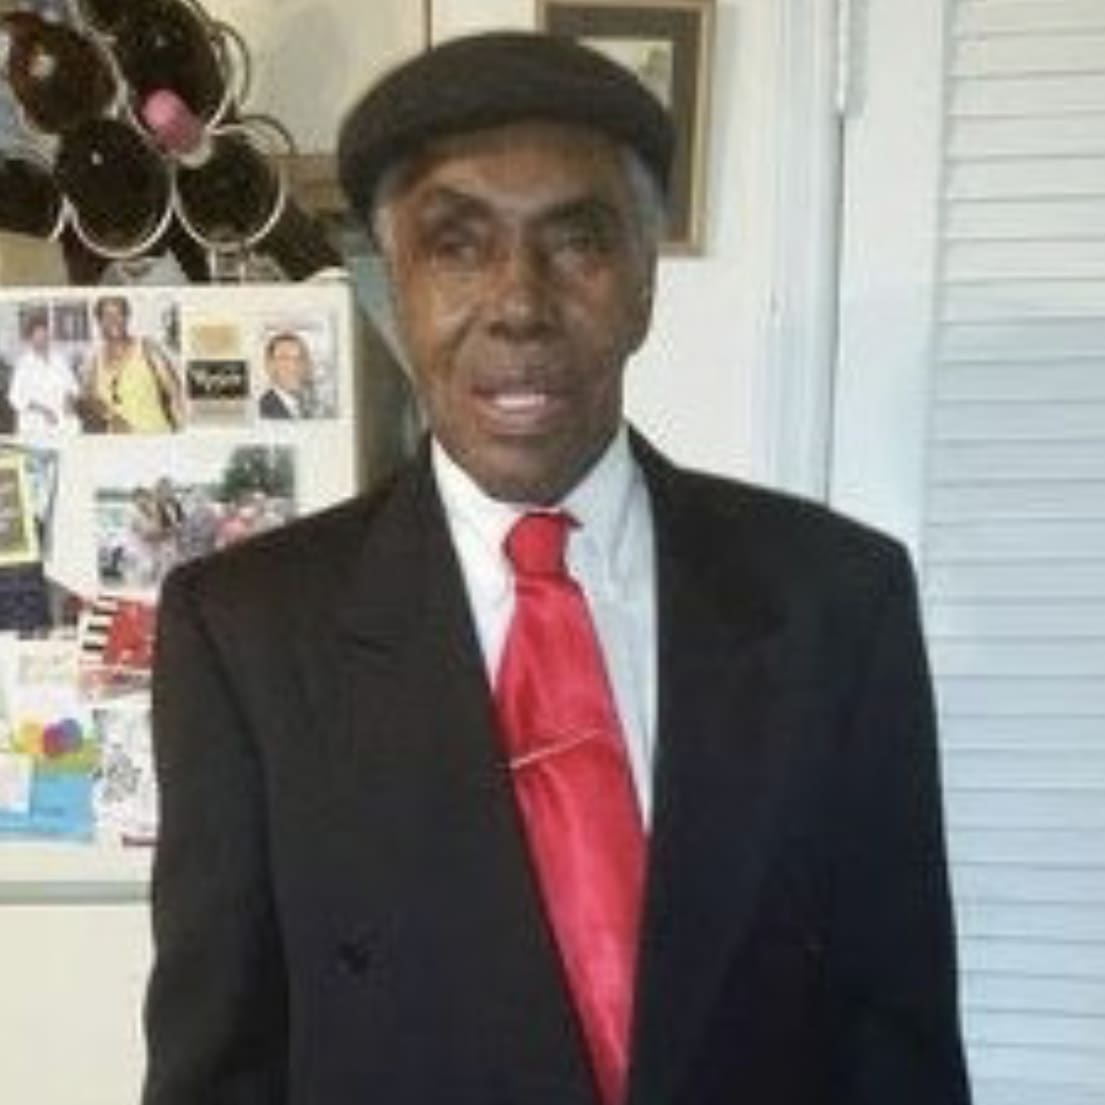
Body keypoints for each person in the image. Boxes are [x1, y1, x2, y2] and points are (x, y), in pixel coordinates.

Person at [143, 32, 972, 1105]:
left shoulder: (834, 603)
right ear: (397, 287)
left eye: (577, 243)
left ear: (643, 284)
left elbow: (897, 1041)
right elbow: (218, 1068)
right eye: (457, 245)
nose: (519, 303)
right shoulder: (248, 633)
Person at [80, 295, 183, 433]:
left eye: (119, 313)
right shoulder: (95, 361)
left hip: (155, 435)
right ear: (99, 321)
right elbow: (90, 399)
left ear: (127, 317)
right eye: (107, 315)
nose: (114, 320)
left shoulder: (147, 348)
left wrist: (183, 432)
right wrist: (111, 416)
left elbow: (175, 392)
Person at [8, 311, 79, 434]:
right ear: (30, 338)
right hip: (35, 425)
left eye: (44, 334)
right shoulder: (23, 365)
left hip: (63, 422)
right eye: (37, 335)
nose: (42, 339)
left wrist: (69, 399)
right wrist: (43, 411)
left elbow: (73, 386)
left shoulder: (59, 360)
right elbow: (15, 397)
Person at [257, 330, 316, 419]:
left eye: (299, 358)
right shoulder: (261, 410)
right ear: (270, 365)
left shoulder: (310, 406)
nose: (293, 365)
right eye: (284, 358)